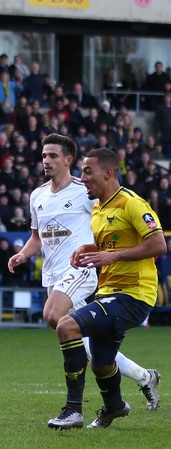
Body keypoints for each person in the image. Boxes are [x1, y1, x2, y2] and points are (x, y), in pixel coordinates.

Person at [7, 136, 161, 429]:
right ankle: (139, 381)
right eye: (43, 155)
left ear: (67, 160)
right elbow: (37, 237)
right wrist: (24, 254)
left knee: (58, 319)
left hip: (84, 274)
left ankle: (74, 409)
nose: (46, 161)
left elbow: (151, 241)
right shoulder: (41, 196)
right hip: (61, 275)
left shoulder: (90, 194)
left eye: (53, 155)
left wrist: (101, 256)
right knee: (96, 354)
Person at [58, 148, 168, 428]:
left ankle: (73, 410)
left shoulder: (133, 203)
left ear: (108, 173)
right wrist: (89, 249)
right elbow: (113, 245)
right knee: (102, 362)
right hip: (109, 293)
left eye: (87, 171)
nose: (82, 178)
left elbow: (158, 244)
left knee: (66, 326)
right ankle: (115, 407)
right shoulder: (98, 208)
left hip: (133, 294)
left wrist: (112, 256)